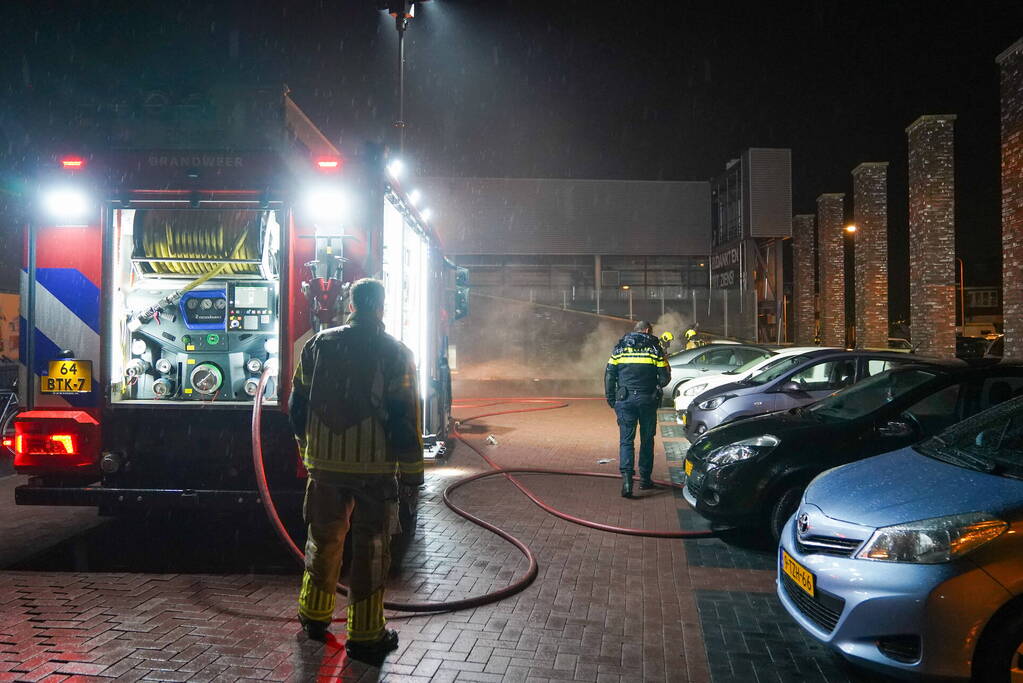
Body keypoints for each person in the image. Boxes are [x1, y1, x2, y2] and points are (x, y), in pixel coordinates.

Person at [289, 278, 424, 663]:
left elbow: (297, 404)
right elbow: (404, 418)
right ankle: (366, 635)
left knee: (323, 539)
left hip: (325, 467)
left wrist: (307, 450)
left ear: (351, 305)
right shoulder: (396, 352)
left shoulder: (318, 345)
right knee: (371, 547)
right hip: (373, 470)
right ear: (380, 307)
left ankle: (314, 616)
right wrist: (412, 476)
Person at [604, 320, 670, 498]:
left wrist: (611, 399)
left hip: (624, 400)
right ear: (647, 330)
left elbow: (609, 375)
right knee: (647, 440)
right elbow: (664, 380)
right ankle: (645, 480)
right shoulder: (655, 349)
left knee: (626, 441)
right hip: (647, 400)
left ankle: (627, 482)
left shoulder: (619, 348)